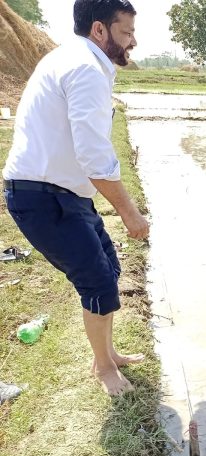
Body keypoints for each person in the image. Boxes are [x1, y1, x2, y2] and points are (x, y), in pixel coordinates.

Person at [2, 0, 148, 396]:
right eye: (126, 32)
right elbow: (93, 155)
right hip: (43, 196)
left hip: (61, 193)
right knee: (97, 280)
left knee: (109, 270)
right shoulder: (85, 69)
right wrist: (131, 214)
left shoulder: (75, 60)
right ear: (99, 30)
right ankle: (103, 369)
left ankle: (109, 353)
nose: (132, 41)